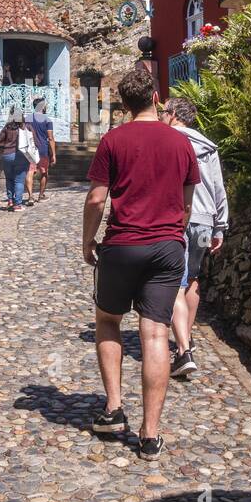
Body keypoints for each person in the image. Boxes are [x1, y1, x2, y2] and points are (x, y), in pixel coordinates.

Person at [82, 66, 199, 461]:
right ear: (155, 97)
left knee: (108, 321)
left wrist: (87, 242)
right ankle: (150, 434)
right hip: (167, 247)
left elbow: (97, 199)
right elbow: (187, 203)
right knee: (154, 335)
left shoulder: (113, 140)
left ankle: (114, 409)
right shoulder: (181, 143)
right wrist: (174, 232)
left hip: (122, 244)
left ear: (124, 103)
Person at [159, 96, 228, 378]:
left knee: (175, 280)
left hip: (177, 217)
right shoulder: (207, 146)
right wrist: (220, 226)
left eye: (164, 112)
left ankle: (183, 350)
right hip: (204, 221)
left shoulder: (167, 140)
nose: (162, 116)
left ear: (174, 114)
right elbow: (218, 186)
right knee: (193, 279)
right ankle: (184, 340)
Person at [0, 109, 38, 210]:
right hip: (22, 156)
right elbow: (35, 142)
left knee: (9, 179)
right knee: (19, 181)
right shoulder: (27, 127)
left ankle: (10, 201)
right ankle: (17, 204)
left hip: (7, 155)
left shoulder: (7, 128)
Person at [26, 96, 56, 202]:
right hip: (43, 149)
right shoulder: (47, 120)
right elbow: (50, 138)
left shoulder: (27, 119)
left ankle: (30, 196)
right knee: (44, 172)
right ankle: (41, 195)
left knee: (29, 172)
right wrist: (53, 154)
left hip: (30, 150)